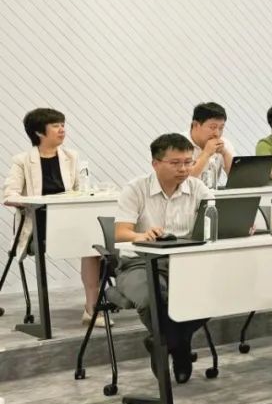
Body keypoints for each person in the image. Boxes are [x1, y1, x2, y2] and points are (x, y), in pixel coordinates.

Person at [114, 134, 214, 383]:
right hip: (140, 262)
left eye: (188, 162)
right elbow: (120, 232)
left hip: (186, 263)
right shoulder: (136, 188)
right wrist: (141, 235)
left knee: (217, 294)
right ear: (155, 163)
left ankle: (165, 341)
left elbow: (213, 226)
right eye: (175, 163)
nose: (184, 169)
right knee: (152, 298)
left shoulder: (199, 189)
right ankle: (180, 347)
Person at [3, 108, 102, 327]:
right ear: (39, 132)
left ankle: (92, 309)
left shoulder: (71, 156)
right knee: (90, 240)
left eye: (63, 125)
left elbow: (80, 189)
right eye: (56, 126)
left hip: (70, 222)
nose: (62, 130)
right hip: (38, 226)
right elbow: (9, 196)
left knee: (94, 244)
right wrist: (35, 202)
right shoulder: (22, 160)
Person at [186, 102, 235, 189]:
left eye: (221, 128)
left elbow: (238, 179)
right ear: (195, 125)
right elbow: (184, 182)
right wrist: (206, 153)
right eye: (212, 127)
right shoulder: (179, 144)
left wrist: (225, 153)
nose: (217, 134)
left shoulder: (224, 143)